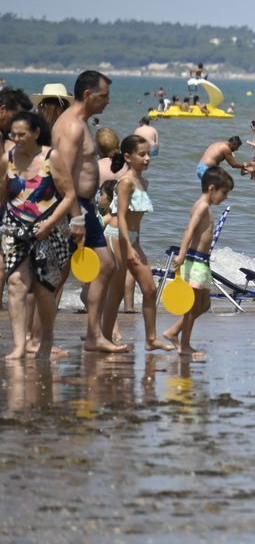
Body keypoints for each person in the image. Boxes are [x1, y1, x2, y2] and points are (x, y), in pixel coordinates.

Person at [49, 71, 128, 354]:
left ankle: (94, 335)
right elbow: (63, 175)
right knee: (55, 276)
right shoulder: (71, 126)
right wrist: (77, 216)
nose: (108, 101)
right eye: (104, 96)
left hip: (84, 207)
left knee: (105, 265)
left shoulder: (80, 123)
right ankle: (38, 338)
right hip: (73, 207)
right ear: (88, 95)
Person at [3, 111, 73, 361]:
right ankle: (19, 345)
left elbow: (70, 195)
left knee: (44, 290)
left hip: (49, 229)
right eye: (13, 134)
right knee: (16, 283)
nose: (16, 139)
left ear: (35, 133)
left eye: (22, 134)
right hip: (14, 228)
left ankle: (47, 338)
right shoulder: (7, 159)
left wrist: (49, 224)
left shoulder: (51, 158)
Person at [105, 134, 174, 351]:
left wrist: (136, 245)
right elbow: (121, 217)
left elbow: (136, 221)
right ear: (128, 157)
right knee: (116, 291)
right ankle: (105, 337)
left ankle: (151, 339)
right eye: (142, 154)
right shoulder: (125, 182)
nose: (147, 158)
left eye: (149, 154)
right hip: (117, 236)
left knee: (150, 288)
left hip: (132, 239)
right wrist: (128, 247)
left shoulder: (143, 182)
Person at [162, 166, 233, 359]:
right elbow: (189, 230)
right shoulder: (201, 207)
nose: (225, 198)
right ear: (212, 188)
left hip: (202, 262)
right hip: (194, 261)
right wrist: (181, 255)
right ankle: (184, 345)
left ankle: (174, 332)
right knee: (192, 306)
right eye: (224, 193)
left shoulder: (206, 207)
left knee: (204, 305)